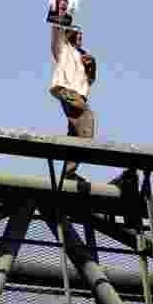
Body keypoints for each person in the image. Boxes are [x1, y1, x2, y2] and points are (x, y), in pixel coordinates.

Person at [49, 25, 96, 192]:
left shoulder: (82, 55)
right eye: (78, 35)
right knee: (87, 117)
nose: (80, 38)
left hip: (78, 96)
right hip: (67, 92)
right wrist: (60, 15)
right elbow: (56, 33)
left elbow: (89, 81)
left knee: (76, 135)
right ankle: (69, 171)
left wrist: (91, 65)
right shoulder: (64, 50)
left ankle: (67, 172)